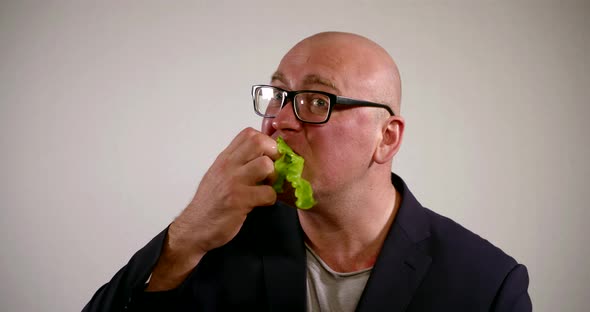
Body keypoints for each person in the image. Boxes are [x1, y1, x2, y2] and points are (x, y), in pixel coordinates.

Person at [83, 32, 532, 311]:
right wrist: (185, 236)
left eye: (318, 101)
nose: (279, 120)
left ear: (387, 138)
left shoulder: (487, 283)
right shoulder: (215, 245)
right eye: (277, 94)